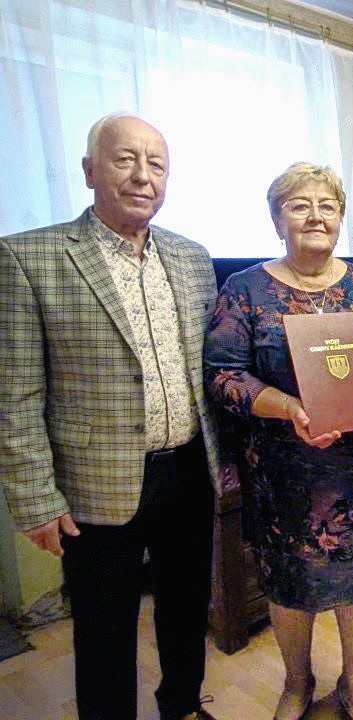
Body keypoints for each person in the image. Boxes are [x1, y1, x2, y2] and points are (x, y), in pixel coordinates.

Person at [0, 113, 221, 720]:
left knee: (186, 608)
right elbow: (14, 395)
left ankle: (181, 705)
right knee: (104, 629)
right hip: (94, 483)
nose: (143, 175)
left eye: (157, 163)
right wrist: (35, 499)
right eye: (125, 159)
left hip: (188, 471)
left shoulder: (192, 257)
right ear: (89, 170)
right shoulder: (28, 257)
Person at [204, 162, 353, 720]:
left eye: (328, 205)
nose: (316, 216)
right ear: (277, 220)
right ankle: (297, 683)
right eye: (299, 205)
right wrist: (290, 407)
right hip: (284, 475)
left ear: (341, 218)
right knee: (289, 582)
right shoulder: (245, 290)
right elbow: (223, 375)